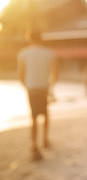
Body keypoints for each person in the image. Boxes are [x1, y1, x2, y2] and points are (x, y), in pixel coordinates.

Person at [17, 30, 58, 161]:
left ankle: (34, 144)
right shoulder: (49, 53)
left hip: (31, 87)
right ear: (41, 38)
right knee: (45, 114)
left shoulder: (23, 53)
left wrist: (26, 85)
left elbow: (21, 74)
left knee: (33, 117)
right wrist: (51, 86)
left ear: (29, 39)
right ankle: (45, 140)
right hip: (44, 86)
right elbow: (55, 73)